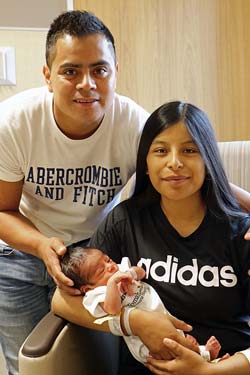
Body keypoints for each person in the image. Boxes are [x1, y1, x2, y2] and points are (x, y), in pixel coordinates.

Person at [0, 10, 149, 375]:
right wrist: (39, 245)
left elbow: (193, 178)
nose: (87, 84)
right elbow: (2, 209)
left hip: (96, 259)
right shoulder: (14, 124)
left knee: (98, 364)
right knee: (30, 365)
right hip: (18, 258)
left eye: (100, 70)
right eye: (70, 71)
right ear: (48, 76)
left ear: (116, 72)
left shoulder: (133, 124)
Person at [53, 101, 250, 375]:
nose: (175, 162)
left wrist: (208, 371)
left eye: (189, 150)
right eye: (160, 150)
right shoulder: (125, 221)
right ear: (145, 162)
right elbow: (61, 301)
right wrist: (132, 321)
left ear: (208, 159)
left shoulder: (241, 232)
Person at [61, 245, 224, 364]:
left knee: (180, 344)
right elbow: (113, 310)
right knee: (175, 354)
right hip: (143, 342)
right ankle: (205, 355)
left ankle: (207, 360)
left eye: (107, 260)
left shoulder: (121, 269)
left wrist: (130, 273)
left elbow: (141, 272)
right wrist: (112, 284)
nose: (110, 266)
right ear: (87, 287)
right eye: (101, 271)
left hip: (163, 319)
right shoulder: (97, 294)